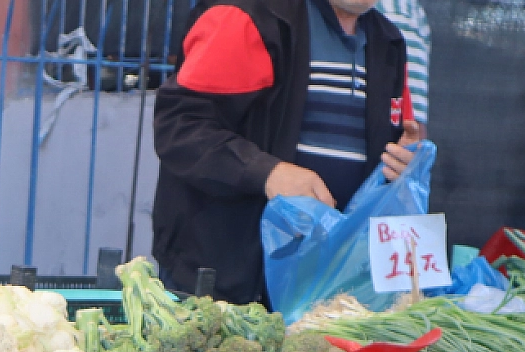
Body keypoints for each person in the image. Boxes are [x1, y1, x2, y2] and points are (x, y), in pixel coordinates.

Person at [151, 0, 425, 305]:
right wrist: (267, 173)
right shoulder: (247, 16)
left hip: (327, 289)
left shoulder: (387, 40)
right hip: (225, 279)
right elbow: (181, 128)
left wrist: (404, 162)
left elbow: (402, 137)